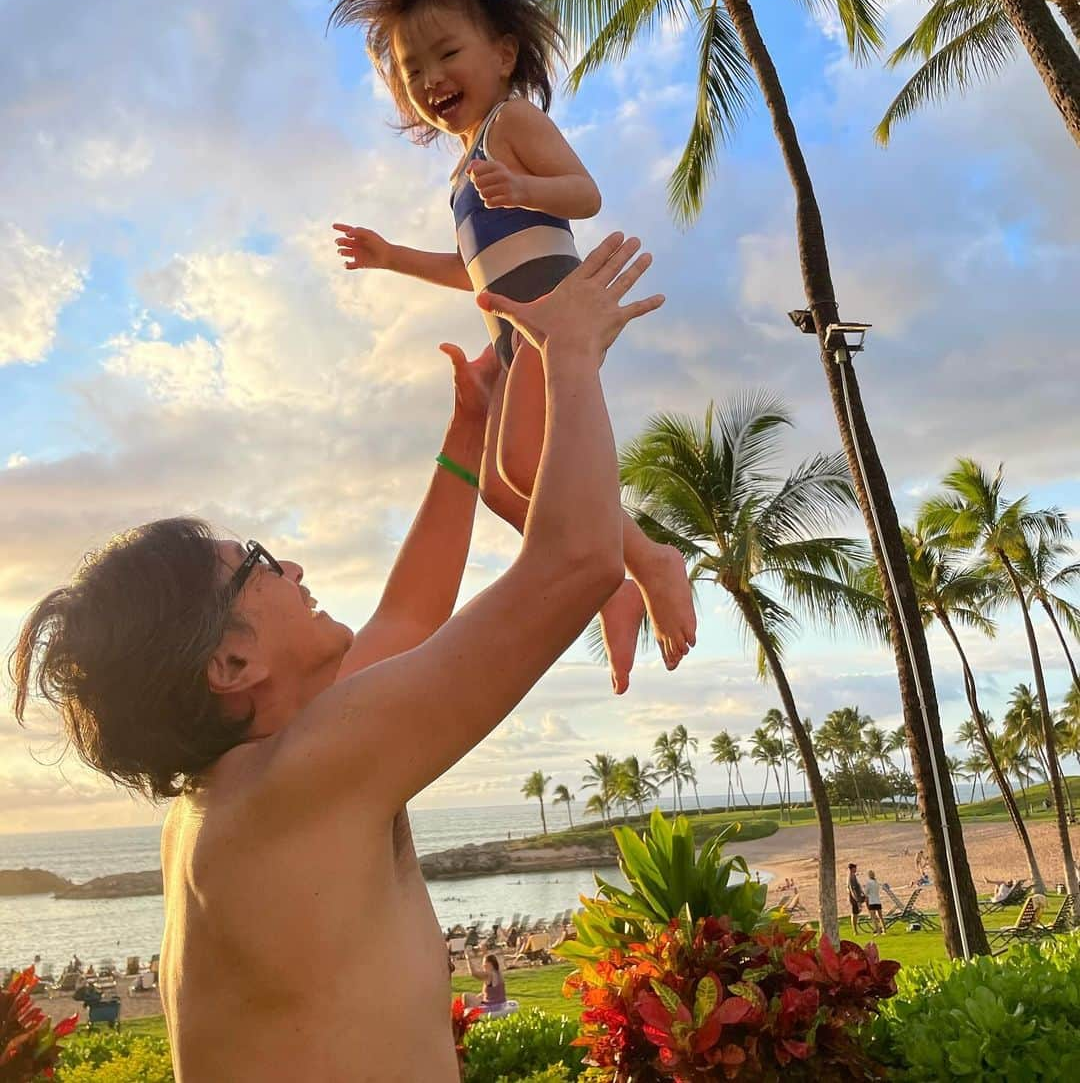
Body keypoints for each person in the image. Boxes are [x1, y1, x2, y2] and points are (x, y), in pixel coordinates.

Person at [10, 233, 658, 1083]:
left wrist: (467, 435)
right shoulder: (299, 783)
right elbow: (574, 562)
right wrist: (570, 352)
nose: (295, 570)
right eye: (260, 565)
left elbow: (408, 618)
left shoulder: (236, 795)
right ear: (231, 665)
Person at [329, 0, 696, 696]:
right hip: (511, 329)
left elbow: (585, 193)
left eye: (447, 53)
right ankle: (613, 586)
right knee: (498, 485)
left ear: (502, 54)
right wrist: (393, 257)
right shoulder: (461, 173)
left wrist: (527, 189)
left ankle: (649, 560)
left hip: (556, 314)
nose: (430, 78)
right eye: (412, 68)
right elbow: (474, 269)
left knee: (525, 463)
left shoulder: (512, 125)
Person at [864, 869, 885, 935]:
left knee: (873, 917)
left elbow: (866, 893)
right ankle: (884, 929)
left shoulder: (868, 883)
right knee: (880, 916)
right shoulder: (876, 882)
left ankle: (878, 931)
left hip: (872, 902)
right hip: (878, 901)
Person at [847, 862, 865, 935]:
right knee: (854, 914)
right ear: (851, 869)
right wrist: (857, 900)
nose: (856, 869)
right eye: (854, 868)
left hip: (858, 896)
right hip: (854, 898)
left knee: (857, 913)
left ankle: (872, 917)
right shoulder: (850, 878)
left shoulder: (854, 876)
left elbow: (858, 886)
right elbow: (852, 890)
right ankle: (855, 931)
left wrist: (862, 892)